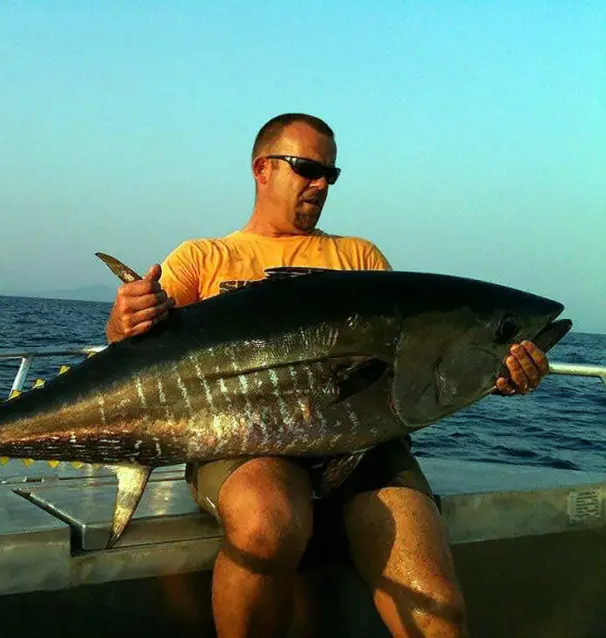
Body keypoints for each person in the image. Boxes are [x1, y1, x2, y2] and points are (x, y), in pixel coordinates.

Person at [104, 113, 550, 637]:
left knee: (438, 612)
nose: (321, 183)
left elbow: (420, 363)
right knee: (267, 524)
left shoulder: (359, 258)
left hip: (368, 443)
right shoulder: (204, 257)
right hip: (243, 438)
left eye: (330, 175)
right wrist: (124, 319)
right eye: (307, 168)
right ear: (261, 169)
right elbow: (136, 353)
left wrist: (500, 372)